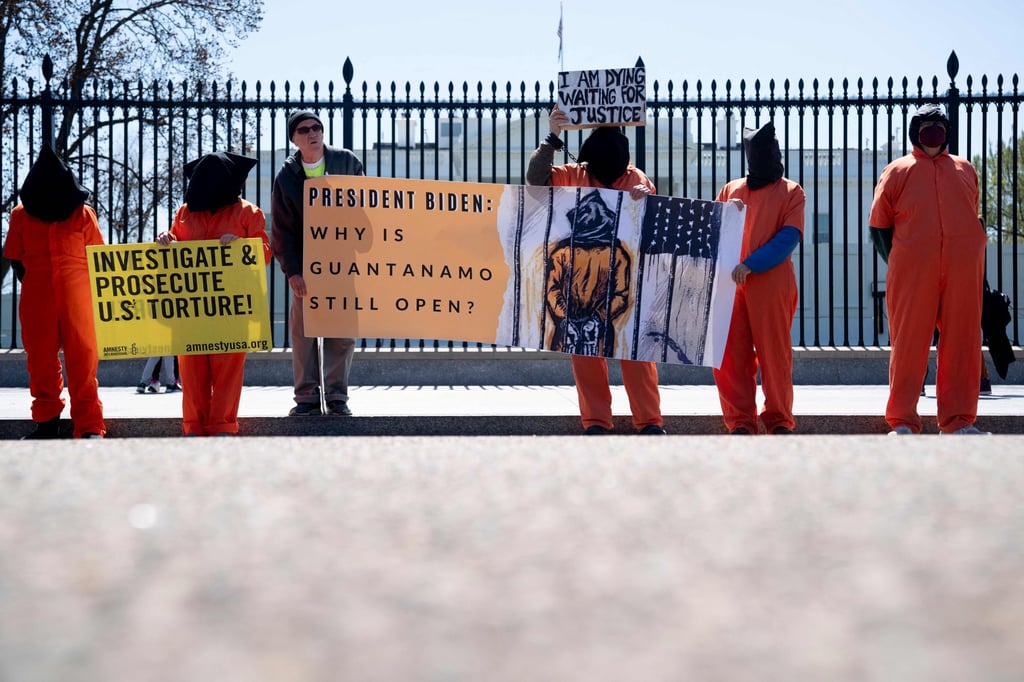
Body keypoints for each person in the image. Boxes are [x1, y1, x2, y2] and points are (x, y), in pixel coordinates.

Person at [526, 105, 666, 435]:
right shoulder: (573, 173)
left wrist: (646, 198)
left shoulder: (635, 179)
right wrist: (552, 136)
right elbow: (535, 179)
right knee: (586, 360)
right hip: (578, 299)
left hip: (623, 293)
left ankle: (649, 422)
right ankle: (596, 422)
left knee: (637, 358)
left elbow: (649, 224)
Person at [868, 103, 989, 435]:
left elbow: (972, 211)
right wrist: (901, 263)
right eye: (926, 124)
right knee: (908, 344)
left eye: (938, 123)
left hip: (962, 271)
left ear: (946, 130)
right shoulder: (896, 171)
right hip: (912, 274)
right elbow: (879, 226)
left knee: (963, 343)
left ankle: (958, 420)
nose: (933, 130)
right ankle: (903, 420)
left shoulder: (965, 169)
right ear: (915, 131)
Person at [156, 151, 271, 436]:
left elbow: (265, 253)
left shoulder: (248, 212)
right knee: (192, 373)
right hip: (190, 310)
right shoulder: (183, 213)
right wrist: (166, 240)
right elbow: (173, 251)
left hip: (232, 310)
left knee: (227, 372)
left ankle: (222, 426)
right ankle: (194, 427)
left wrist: (243, 244)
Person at [2, 144, 106, 439]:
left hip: (75, 299)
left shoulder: (83, 215)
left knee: (83, 361)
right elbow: (15, 257)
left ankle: (89, 426)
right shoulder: (21, 216)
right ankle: (48, 424)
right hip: (44, 299)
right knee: (41, 361)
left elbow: (99, 260)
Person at [713, 122, 805, 435]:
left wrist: (751, 264)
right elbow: (714, 231)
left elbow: (789, 239)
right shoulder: (731, 190)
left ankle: (778, 419)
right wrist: (727, 211)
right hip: (731, 285)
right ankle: (741, 421)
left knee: (774, 355)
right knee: (731, 357)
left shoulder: (792, 192)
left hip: (771, 284)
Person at [272, 110, 363, 417]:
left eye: (317, 127)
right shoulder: (287, 176)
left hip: (343, 262)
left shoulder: (347, 162)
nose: (313, 133)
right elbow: (282, 231)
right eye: (304, 129)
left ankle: (337, 397)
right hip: (306, 268)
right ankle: (307, 398)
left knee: (342, 331)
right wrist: (292, 272)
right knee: (303, 333)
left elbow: (367, 205)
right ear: (294, 139)